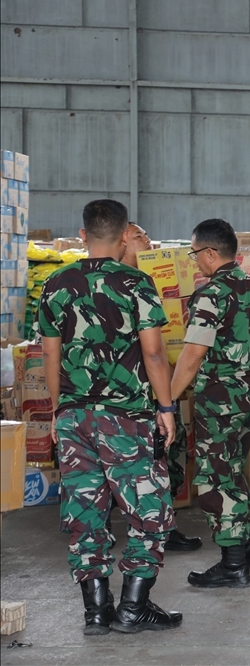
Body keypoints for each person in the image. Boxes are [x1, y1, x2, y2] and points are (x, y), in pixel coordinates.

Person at [38, 199, 182, 635]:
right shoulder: (137, 283)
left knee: (85, 509)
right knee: (150, 509)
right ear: (124, 237)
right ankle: (134, 606)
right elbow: (154, 353)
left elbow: (49, 354)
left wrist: (56, 408)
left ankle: (96, 612)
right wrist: (166, 408)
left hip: (73, 416)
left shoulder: (56, 283)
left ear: (82, 236)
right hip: (126, 420)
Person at [170, 219, 250, 589]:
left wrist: (167, 400)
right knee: (232, 474)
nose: (194, 260)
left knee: (215, 482)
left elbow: (193, 354)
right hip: (249, 401)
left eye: (194, 253)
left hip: (220, 404)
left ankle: (233, 564)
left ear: (210, 253)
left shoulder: (211, 294)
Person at [121, 222, 203, 553]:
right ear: (123, 240)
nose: (149, 240)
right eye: (140, 236)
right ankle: (152, 531)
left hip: (161, 387)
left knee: (167, 459)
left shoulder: (153, 282)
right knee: (146, 463)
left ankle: (164, 526)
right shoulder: (127, 285)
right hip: (133, 395)